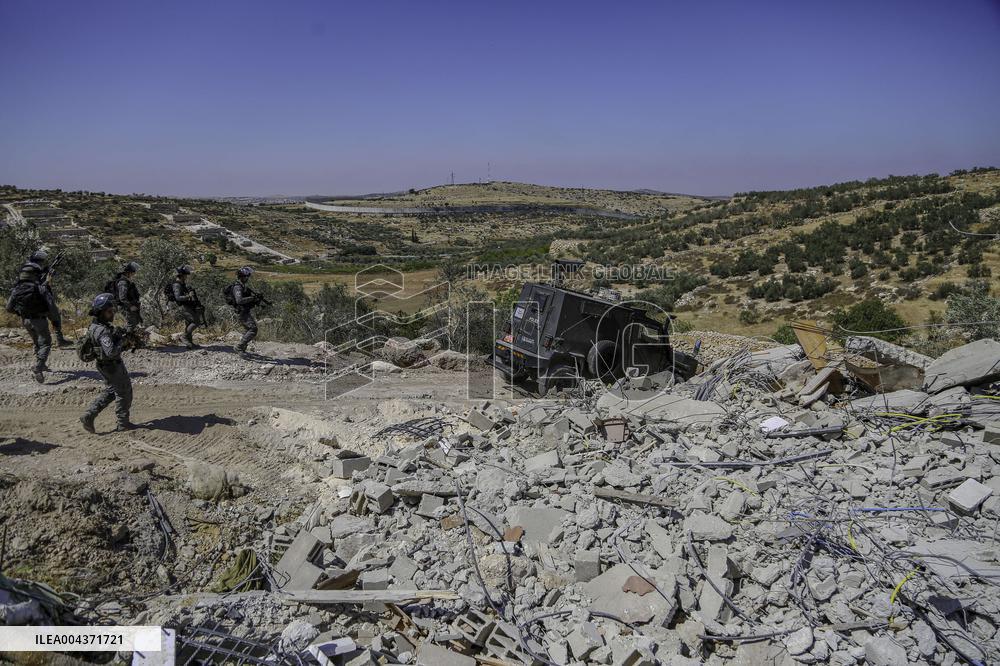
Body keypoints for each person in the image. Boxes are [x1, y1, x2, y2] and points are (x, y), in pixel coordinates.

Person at [79, 293, 135, 433]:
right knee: (124, 392)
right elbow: (110, 352)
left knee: (111, 391)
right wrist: (123, 341)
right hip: (112, 365)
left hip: (103, 365)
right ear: (101, 312)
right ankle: (123, 424)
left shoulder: (95, 326)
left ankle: (89, 415)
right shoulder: (103, 331)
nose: (112, 314)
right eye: (110, 311)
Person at [18, 249, 71, 348]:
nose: (41, 263)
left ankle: (40, 344)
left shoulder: (29, 271)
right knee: (55, 317)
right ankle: (59, 340)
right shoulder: (34, 273)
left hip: (33, 304)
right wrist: (48, 280)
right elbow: (41, 287)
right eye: (40, 261)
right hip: (42, 301)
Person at [228, 266, 262, 354]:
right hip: (242, 312)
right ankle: (239, 347)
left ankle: (242, 348)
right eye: (247, 276)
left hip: (244, 311)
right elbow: (239, 300)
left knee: (248, 329)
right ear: (243, 276)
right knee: (253, 329)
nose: (247, 278)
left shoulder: (242, 286)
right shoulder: (238, 287)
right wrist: (252, 298)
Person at [170, 265, 204, 349]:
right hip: (184, 307)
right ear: (181, 275)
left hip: (188, 306)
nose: (186, 277)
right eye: (185, 275)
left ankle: (190, 343)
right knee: (196, 322)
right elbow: (178, 297)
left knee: (189, 323)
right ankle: (184, 337)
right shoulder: (177, 285)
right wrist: (188, 296)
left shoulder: (182, 284)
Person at [113, 261, 143, 331]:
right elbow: (122, 298)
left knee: (135, 323)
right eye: (133, 272)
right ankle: (126, 339)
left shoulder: (126, 281)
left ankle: (132, 339)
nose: (134, 274)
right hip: (127, 308)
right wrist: (131, 306)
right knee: (131, 325)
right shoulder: (123, 282)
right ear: (127, 272)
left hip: (130, 307)